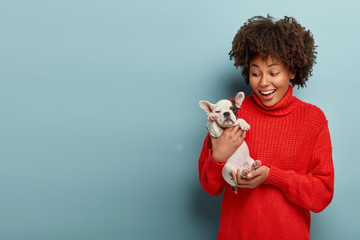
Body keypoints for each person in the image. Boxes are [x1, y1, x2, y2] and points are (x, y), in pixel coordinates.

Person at [198, 15, 334, 240]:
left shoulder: (313, 119)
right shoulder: (229, 112)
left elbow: (322, 194)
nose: (263, 83)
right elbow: (209, 186)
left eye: (273, 72)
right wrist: (219, 156)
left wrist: (273, 176)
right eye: (255, 73)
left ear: (292, 71)